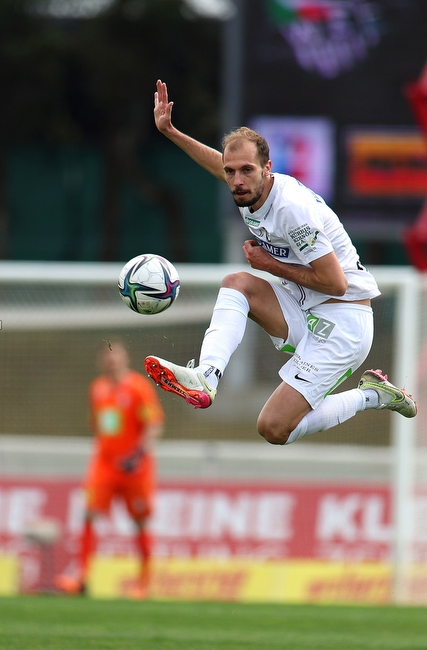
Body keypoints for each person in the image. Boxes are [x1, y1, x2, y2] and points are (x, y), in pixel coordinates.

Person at [145, 79, 416, 446]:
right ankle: (207, 375)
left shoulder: (292, 212)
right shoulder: (249, 187)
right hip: (306, 306)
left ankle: (372, 395)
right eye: (231, 172)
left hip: (343, 322)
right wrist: (172, 132)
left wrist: (270, 266)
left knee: (273, 429)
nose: (237, 181)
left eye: (247, 171)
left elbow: (336, 283)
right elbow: (218, 163)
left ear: (267, 168)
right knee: (237, 283)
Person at [55, 340, 163, 598]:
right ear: (101, 361)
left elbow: (154, 424)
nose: (111, 361)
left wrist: (137, 454)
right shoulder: (98, 389)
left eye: (116, 356)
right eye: (107, 356)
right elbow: (98, 424)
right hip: (104, 465)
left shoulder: (139, 387)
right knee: (90, 514)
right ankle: (81, 577)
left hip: (134, 467)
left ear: (126, 359)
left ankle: (143, 583)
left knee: (139, 521)